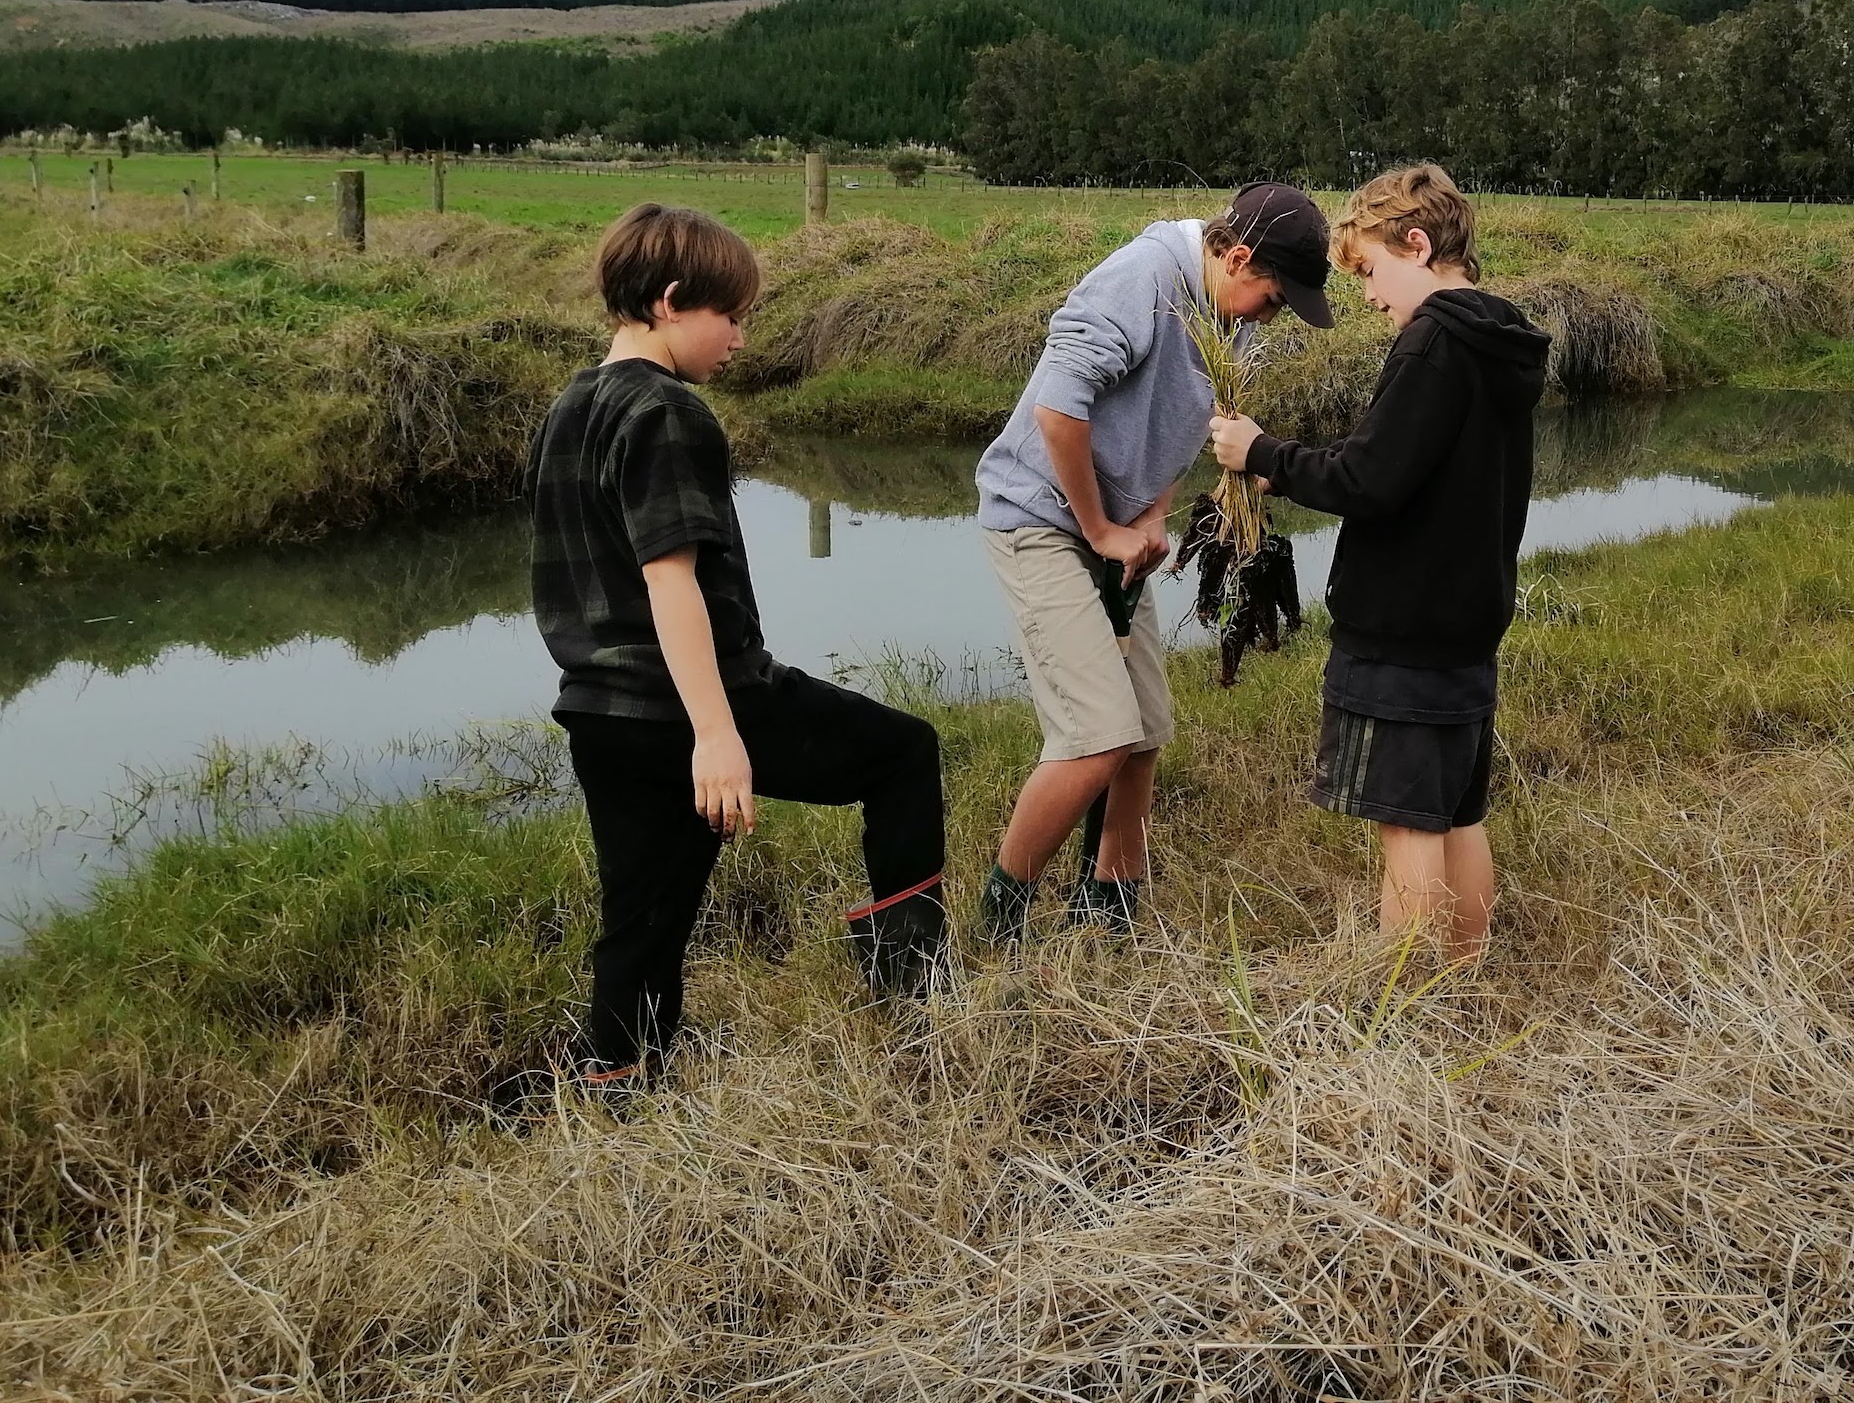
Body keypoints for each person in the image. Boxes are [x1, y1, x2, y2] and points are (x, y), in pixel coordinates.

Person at [529, 203, 948, 1088]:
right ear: (674, 301)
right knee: (903, 754)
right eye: (732, 315)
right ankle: (912, 989)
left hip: (598, 710)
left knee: (641, 923)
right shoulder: (669, 412)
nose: (742, 338)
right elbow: (668, 579)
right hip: (697, 701)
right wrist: (716, 736)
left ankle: (617, 1089)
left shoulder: (568, 407)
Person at [974, 181, 1334, 939]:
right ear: (1237, 258)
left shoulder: (1222, 311)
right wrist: (1100, 527)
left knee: (1142, 732)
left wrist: (1147, 514)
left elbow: (1189, 416)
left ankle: (1112, 904)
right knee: (1096, 735)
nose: (1271, 317)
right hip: (1042, 522)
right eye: (1272, 299)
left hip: (1116, 526)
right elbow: (1057, 407)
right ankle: (998, 919)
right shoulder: (1141, 281)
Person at [1208, 164, 1548, 963]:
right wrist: (1285, 464)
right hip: (1467, 622)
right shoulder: (1499, 341)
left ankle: (1406, 1007)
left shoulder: (1433, 341)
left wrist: (1261, 450)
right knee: (1457, 814)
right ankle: (1461, 980)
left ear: (1417, 244)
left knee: (1404, 824)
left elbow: (1371, 480)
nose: (1365, 294)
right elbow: (1404, 463)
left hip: (1401, 625)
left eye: (1367, 270)